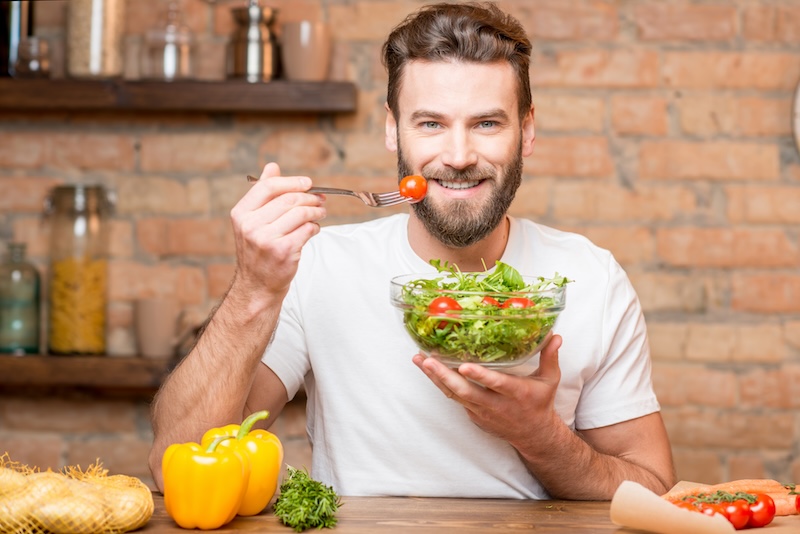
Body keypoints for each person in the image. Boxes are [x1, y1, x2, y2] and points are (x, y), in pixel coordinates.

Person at [149, 1, 675, 500]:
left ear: (527, 131)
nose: (459, 155)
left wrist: (540, 436)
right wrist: (253, 289)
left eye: (487, 123)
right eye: (430, 123)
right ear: (392, 129)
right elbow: (176, 461)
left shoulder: (589, 276)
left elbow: (653, 486)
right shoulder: (322, 266)